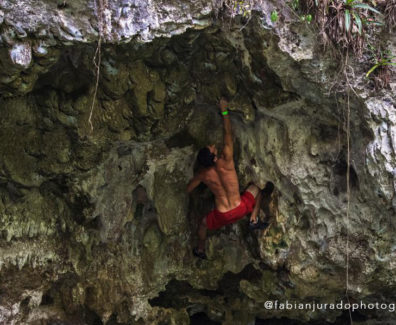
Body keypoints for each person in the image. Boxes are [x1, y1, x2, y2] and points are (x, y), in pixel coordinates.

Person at [187, 98, 268, 259]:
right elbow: (228, 132)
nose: (212, 145)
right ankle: (253, 218)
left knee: (203, 224)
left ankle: (201, 249)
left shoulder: (203, 174)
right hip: (240, 207)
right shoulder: (227, 159)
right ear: (213, 155)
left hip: (222, 214)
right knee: (257, 188)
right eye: (210, 148)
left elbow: (188, 189)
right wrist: (224, 111)